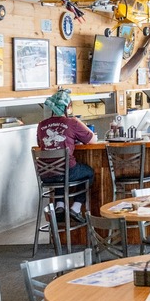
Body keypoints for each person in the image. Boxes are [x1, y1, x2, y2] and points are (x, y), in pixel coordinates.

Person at [37, 89, 97, 217]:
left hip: (45, 174)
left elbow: (40, 144)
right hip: (66, 172)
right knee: (88, 173)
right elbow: (92, 140)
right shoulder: (72, 122)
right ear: (68, 106)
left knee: (59, 168)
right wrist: (78, 122)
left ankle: (60, 205)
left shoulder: (41, 125)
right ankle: (76, 208)